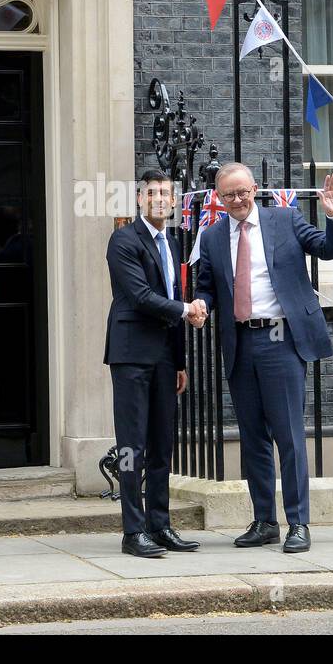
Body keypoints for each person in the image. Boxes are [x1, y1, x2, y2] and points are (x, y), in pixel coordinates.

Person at [192, 163, 333, 552]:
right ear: (219, 198)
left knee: (289, 435)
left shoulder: (285, 219)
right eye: (228, 195)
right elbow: (207, 286)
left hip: (281, 340)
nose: (237, 200)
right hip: (239, 344)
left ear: (256, 189)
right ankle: (264, 520)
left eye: (242, 192)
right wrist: (201, 303)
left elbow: (330, 250)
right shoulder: (212, 237)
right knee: (253, 438)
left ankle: (298, 522)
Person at [103, 169, 207, 557]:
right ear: (139, 198)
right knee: (132, 445)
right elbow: (141, 296)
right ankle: (133, 531)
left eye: (166, 192)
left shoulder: (173, 243)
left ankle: (160, 526)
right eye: (153, 192)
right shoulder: (123, 240)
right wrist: (187, 309)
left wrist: (179, 361)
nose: (160, 198)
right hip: (131, 353)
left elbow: (172, 294)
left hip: (165, 357)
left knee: (163, 443)